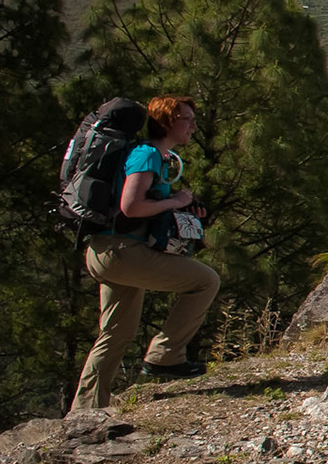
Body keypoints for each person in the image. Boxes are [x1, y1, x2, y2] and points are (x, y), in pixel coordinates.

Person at [69, 94, 221, 411]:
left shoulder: (148, 155)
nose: (193, 125)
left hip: (107, 252)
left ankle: (86, 411)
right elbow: (131, 206)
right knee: (206, 281)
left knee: (116, 332)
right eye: (187, 119)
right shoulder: (147, 154)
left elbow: (141, 206)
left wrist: (182, 208)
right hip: (122, 252)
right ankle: (166, 356)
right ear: (167, 122)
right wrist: (175, 202)